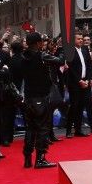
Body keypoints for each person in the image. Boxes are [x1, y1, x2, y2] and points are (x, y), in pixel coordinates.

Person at [21, 32, 60, 169]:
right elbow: (59, 60)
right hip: (40, 97)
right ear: (38, 43)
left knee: (30, 128)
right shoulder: (41, 56)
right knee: (42, 128)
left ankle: (27, 159)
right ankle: (40, 159)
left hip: (28, 97)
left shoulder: (22, 56)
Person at [66, 32, 92, 137]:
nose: (81, 40)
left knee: (81, 106)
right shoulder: (70, 51)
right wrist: (79, 80)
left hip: (85, 81)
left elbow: (89, 65)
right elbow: (70, 68)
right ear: (73, 40)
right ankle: (69, 130)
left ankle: (78, 129)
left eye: (82, 38)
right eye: (79, 39)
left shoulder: (85, 50)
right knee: (74, 106)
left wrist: (89, 79)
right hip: (75, 83)